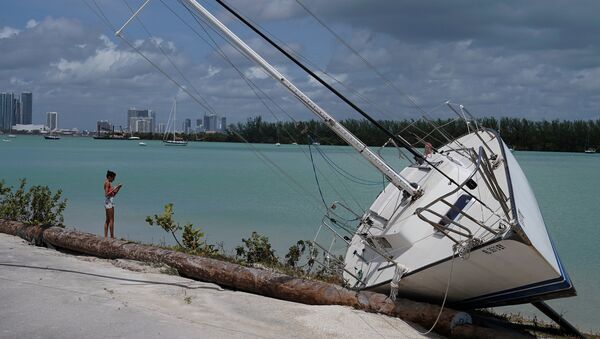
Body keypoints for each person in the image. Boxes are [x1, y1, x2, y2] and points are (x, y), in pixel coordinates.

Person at [103, 170, 122, 238]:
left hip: (109, 201)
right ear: (109, 177)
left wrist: (118, 188)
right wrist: (115, 187)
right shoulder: (107, 183)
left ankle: (106, 236)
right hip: (109, 202)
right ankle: (112, 236)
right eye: (113, 178)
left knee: (108, 220)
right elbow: (106, 194)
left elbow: (113, 195)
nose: (114, 179)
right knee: (111, 220)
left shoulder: (108, 183)